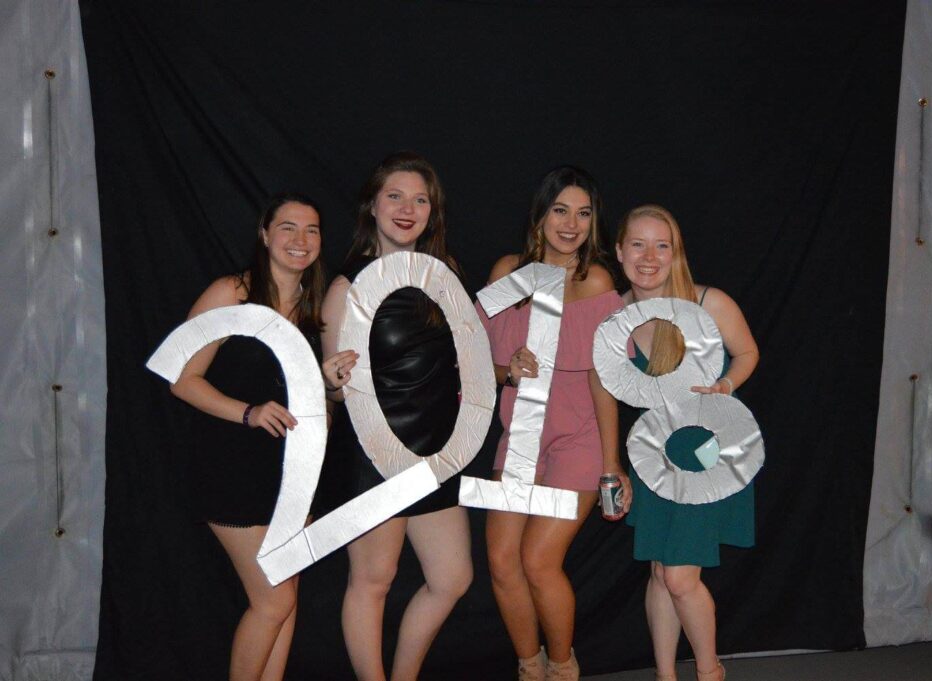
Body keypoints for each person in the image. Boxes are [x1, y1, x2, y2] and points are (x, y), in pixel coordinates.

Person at [315, 152, 472, 681]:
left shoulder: (444, 276)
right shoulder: (347, 286)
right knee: (373, 580)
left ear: (434, 211)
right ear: (373, 206)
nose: (408, 208)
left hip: (434, 451)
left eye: (420, 199)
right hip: (373, 451)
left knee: (451, 578)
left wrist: (506, 369)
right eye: (395, 196)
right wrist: (331, 383)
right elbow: (332, 394)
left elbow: (463, 364)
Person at [480, 166, 632, 681]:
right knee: (502, 562)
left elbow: (603, 379)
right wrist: (506, 369)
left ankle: (564, 666)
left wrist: (613, 464)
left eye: (584, 213)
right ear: (540, 214)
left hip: (580, 438)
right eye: (561, 210)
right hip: (520, 435)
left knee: (539, 562)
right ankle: (531, 667)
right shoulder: (508, 273)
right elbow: (474, 357)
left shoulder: (598, 280)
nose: (571, 224)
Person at [169, 193, 325, 681]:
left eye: (312, 230)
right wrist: (247, 412)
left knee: (286, 596)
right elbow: (180, 378)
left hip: (292, 475)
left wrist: (331, 380)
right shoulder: (232, 292)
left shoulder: (311, 307)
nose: (300, 240)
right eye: (288, 228)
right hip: (230, 468)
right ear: (264, 233)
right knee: (273, 599)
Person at [615, 205, 759, 681]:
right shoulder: (615, 318)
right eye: (638, 244)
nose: (650, 256)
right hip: (653, 456)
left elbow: (747, 352)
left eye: (663, 245)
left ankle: (709, 672)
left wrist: (727, 386)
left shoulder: (708, 302)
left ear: (676, 253)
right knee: (659, 572)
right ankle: (665, 675)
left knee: (679, 577)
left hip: (707, 454)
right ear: (619, 251)